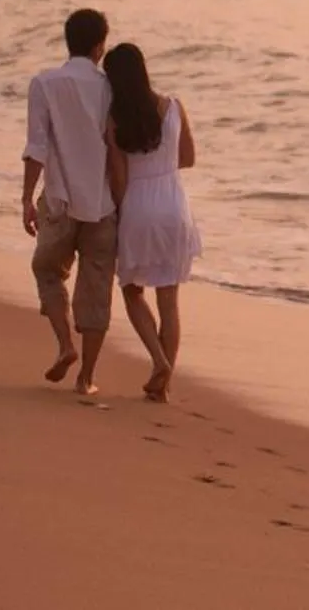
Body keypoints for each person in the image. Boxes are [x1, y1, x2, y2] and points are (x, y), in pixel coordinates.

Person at [22, 8, 117, 396]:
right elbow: (118, 150)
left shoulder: (44, 83)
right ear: (100, 46)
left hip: (59, 199)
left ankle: (65, 345)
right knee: (96, 290)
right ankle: (87, 378)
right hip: (104, 202)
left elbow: (36, 147)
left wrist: (26, 198)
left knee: (47, 271)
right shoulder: (111, 88)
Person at [104, 42, 202, 402]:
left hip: (138, 206)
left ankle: (159, 361)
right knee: (169, 301)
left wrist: (117, 214)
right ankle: (162, 385)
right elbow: (188, 158)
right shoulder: (174, 107)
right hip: (174, 206)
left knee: (131, 291)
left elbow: (117, 176)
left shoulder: (115, 120)